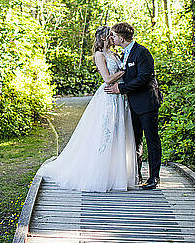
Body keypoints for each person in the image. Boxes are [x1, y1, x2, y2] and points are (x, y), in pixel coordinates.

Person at [37, 26, 137, 192]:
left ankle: (115, 173)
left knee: (118, 133)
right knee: (105, 134)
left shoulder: (114, 54)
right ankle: (99, 172)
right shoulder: (99, 55)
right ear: (105, 38)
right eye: (111, 35)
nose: (114, 38)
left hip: (120, 97)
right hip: (108, 97)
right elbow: (107, 79)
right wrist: (124, 71)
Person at [105, 22, 162, 190]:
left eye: (113, 36)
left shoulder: (142, 52)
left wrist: (120, 88)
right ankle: (137, 174)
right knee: (136, 140)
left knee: (152, 140)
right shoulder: (123, 53)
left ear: (121, 38)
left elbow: (144, 78)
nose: (112, 38)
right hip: (132, 104)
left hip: (147, 103)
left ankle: (154, 177)